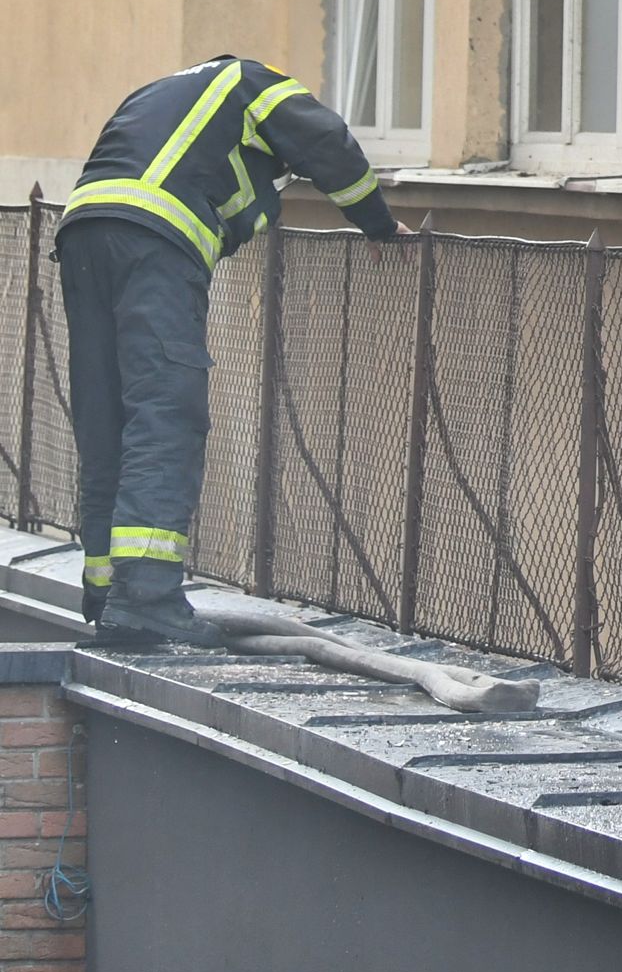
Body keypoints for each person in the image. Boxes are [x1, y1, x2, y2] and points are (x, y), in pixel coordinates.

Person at [60, 56, 407, 646]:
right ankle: (146, 595)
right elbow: (326, 139)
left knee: (108, 415)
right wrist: (376, 222)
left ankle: (107, 590)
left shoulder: (164, 90)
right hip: (154, 243)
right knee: (166, 411)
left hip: (84, 235)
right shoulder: (251, 80)